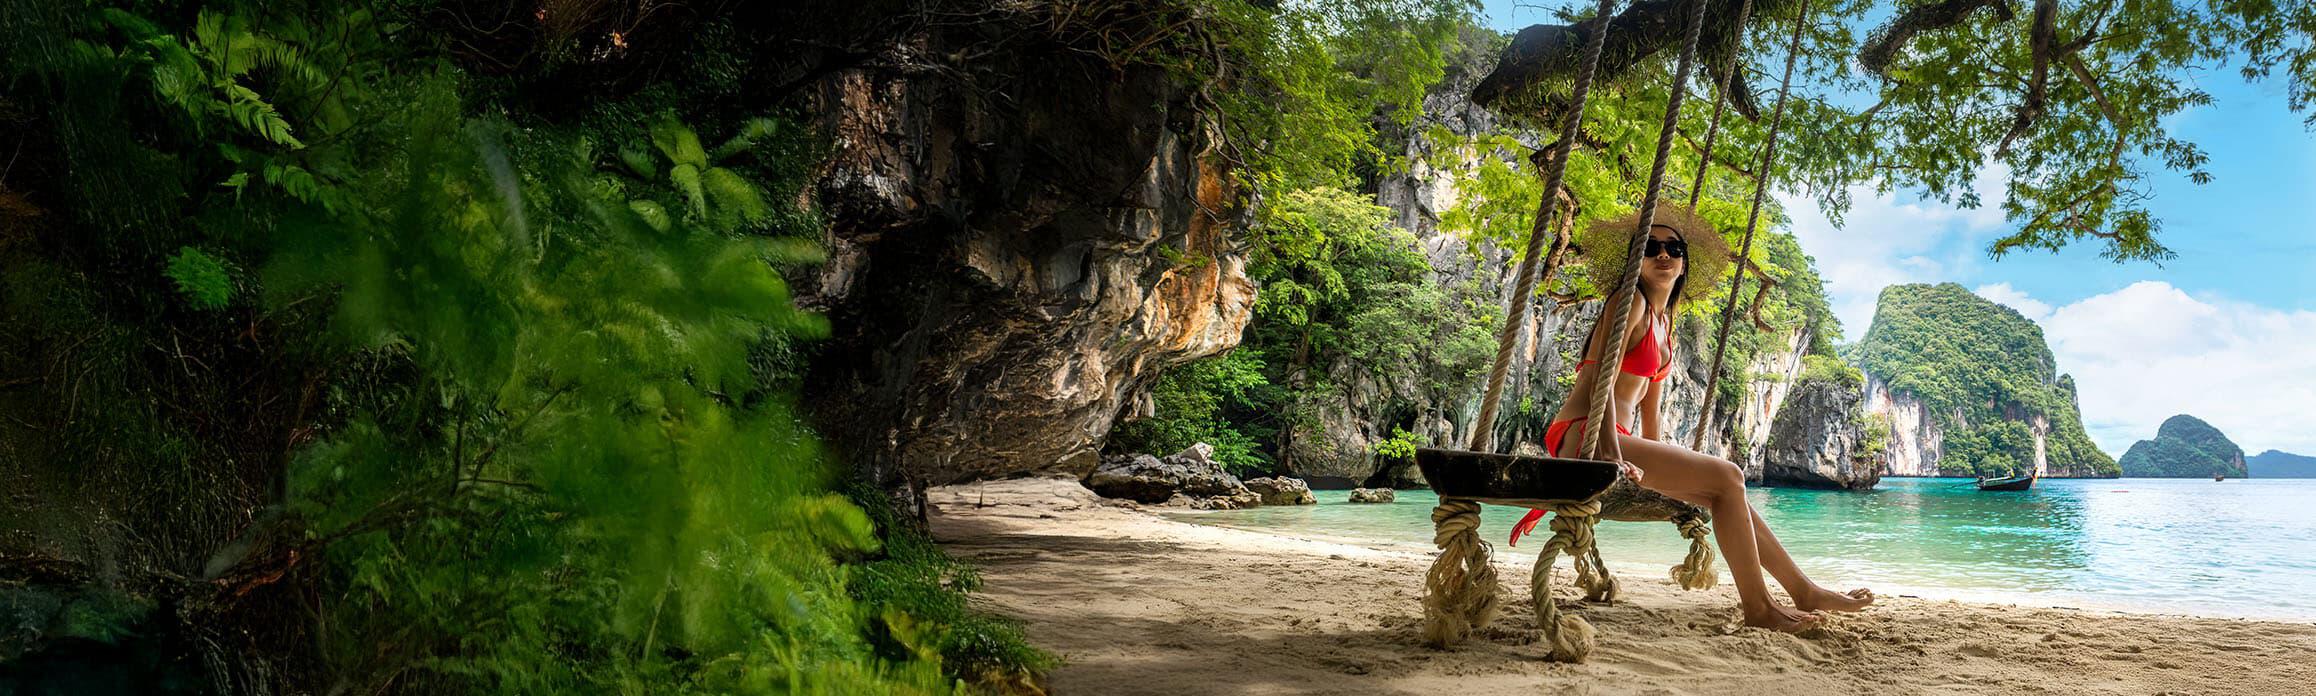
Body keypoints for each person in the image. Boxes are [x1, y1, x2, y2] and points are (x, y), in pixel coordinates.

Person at [1508, 206, 1872, 632]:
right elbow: (1596, 383)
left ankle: (1802, 590)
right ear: (1636, 259)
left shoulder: (1664, 322)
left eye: (1673, 249)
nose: (1663, 255)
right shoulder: (1629, 304)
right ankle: (1760, 608)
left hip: (1620, 439)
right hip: (1583, 437)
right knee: (1730, 475)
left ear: (1683, 264)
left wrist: (1661, 466)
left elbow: (1650, 412)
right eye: (1651, 247)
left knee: (1726, 490)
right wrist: (1608, 452)